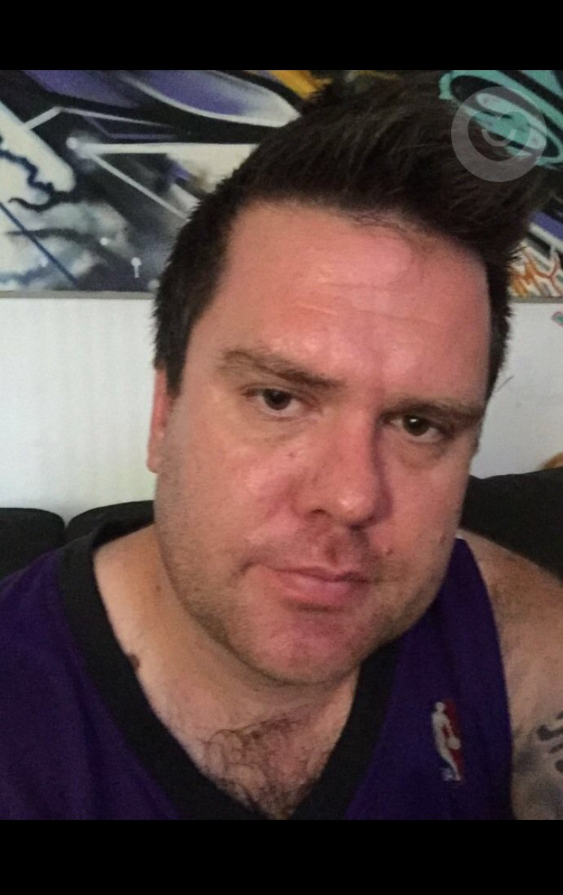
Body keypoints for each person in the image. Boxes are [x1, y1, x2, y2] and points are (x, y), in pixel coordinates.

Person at [2, 76, 562, 820]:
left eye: (418, 424)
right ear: (164, 412)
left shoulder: (512, 637)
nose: (351, 496)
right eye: (278, 398)